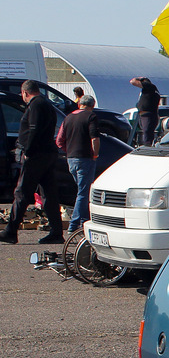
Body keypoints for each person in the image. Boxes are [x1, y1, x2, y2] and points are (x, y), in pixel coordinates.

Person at [1, 80, 63, 244]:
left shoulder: (36, 105)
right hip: (47, 153)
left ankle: (10, 231)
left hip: (36, 155)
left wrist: (28, 150)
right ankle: (56, 232)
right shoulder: (47, 105)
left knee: (22, 192)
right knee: (48, 193)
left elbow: (34, 129)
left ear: (25, 93)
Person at [57, 94, 101, 233]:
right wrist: (95, 154)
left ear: (79, 104)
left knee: (81, 191)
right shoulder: (91, 117)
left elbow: (59, 140)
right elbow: (95, 138)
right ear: (92, 106)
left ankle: (84, 220)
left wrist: (68, 150)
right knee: (83, 192)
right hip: (85, 158)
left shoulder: (68, 117)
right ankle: (73, 225)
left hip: (71, 159)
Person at [130, 77, 160, 146]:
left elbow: (133, 82)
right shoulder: (151, 91)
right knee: (145, 132)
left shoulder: (150, 86)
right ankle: (146, 144)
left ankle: (147, 146)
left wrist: (139, 78)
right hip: (146, 115)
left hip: (148, 115)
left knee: (147, 132)